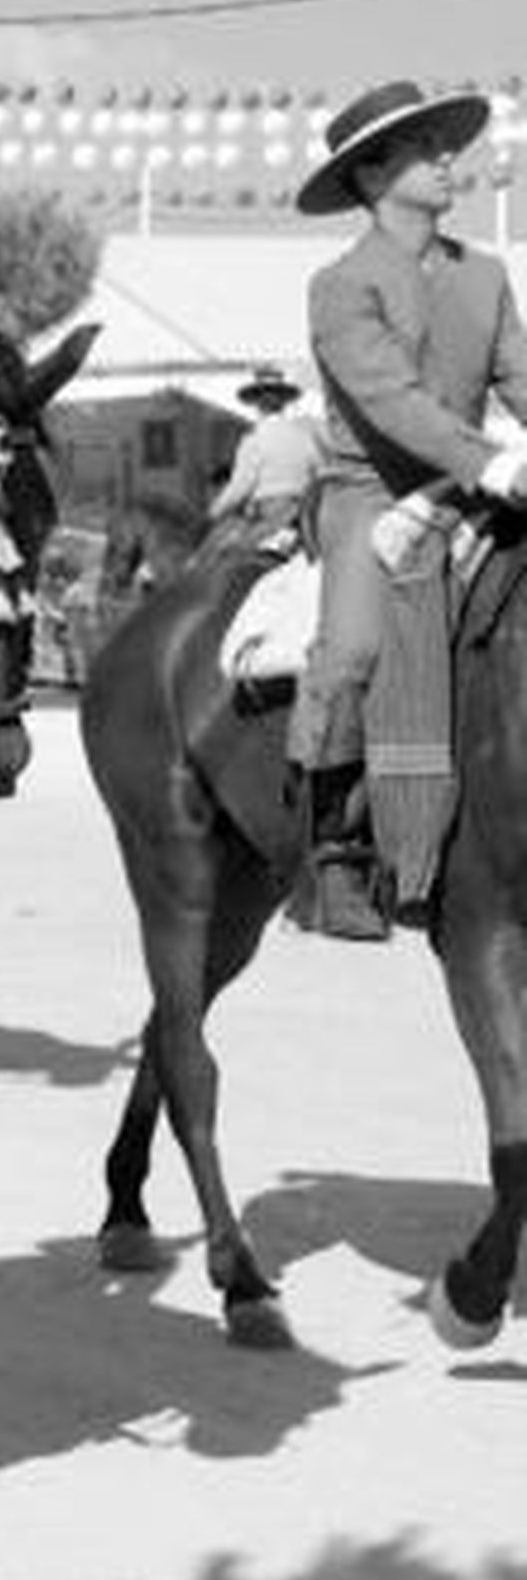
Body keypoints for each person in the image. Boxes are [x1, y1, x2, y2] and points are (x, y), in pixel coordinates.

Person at [288, 79, 527, 939]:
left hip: (475, 485)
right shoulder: (341, 285)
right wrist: (491, 460)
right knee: (351, 651)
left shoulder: (487, 274)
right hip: (370, 494)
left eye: (442, 145)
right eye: (425, 150)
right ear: (371, 175)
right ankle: (334, 851)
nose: (445, 159)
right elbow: (391, 402)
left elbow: (520, 378)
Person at [207, 363, 325, 544]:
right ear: (284, 401)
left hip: (268, 519)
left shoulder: (254, 441)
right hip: (306, 520)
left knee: (221, 553)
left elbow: (240, 488)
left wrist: (212, 513)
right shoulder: (304, 436)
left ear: (257, 403)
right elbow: (320, 475)